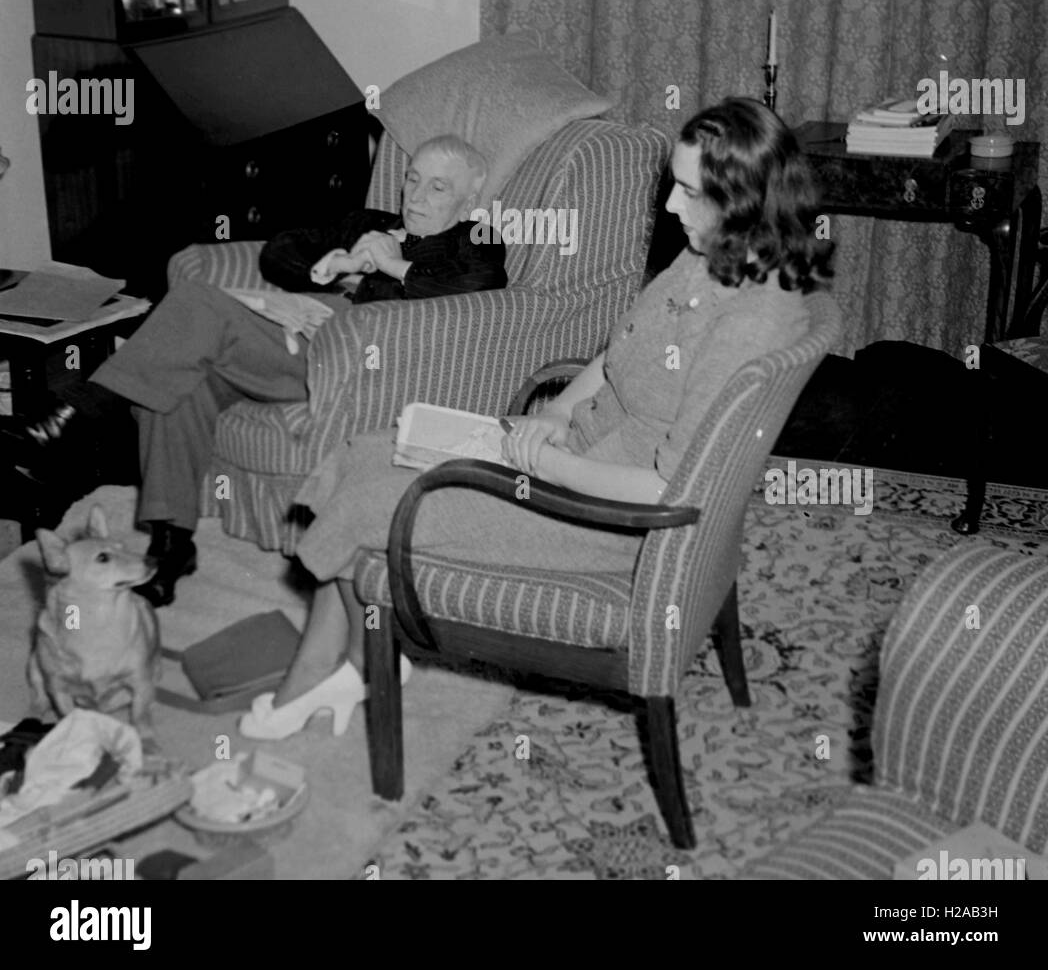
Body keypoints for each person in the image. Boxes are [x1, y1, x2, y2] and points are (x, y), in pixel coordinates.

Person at [237, 97, 835, 740]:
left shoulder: (750, 320)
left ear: (742, 200)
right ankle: (353, 662)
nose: (668, 206)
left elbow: (674, 488)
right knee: (363, 451)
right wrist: (553, 414)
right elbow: (613, 358)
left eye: (687, 192)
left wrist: (548, 462)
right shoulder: (707, 255)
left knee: (371, 499)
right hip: (578, 452)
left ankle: (323, 671)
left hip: (610, 520)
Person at [5, 135, 505, 606]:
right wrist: (332, 266)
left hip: (357, 367)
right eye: (413, 178)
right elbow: (278, 250)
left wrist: (393, 266)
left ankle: (76, 417)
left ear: (470, 198)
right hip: (293, 344)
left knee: (197, 306)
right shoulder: (368, 223)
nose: (416, 195)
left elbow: (482, 283)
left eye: (438, 187)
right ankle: (170, 546)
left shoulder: (473, 239)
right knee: (182, 382)